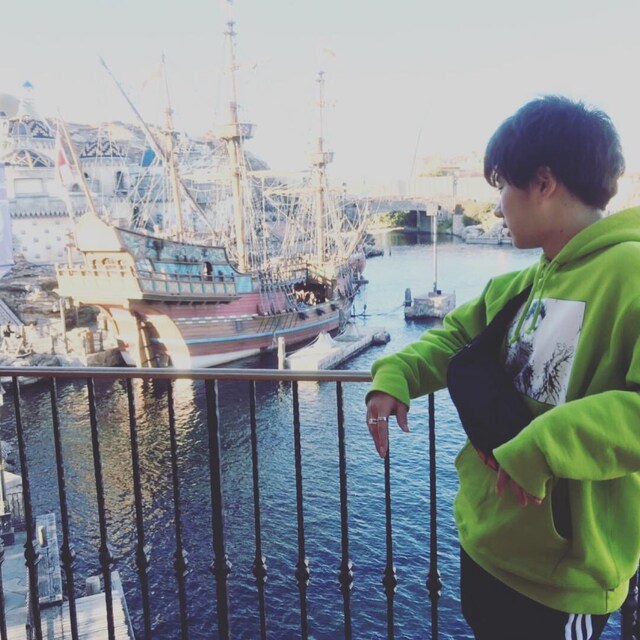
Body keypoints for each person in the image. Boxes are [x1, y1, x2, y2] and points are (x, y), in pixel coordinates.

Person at [366, 95, 639, 640]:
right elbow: (456, 338)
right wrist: (395, 375)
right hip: (487, 545)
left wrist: (540, 449)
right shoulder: (521, 283)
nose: (497, 209)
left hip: (563, 578)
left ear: (543, 183)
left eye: (502, 188)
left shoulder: (630, 275)